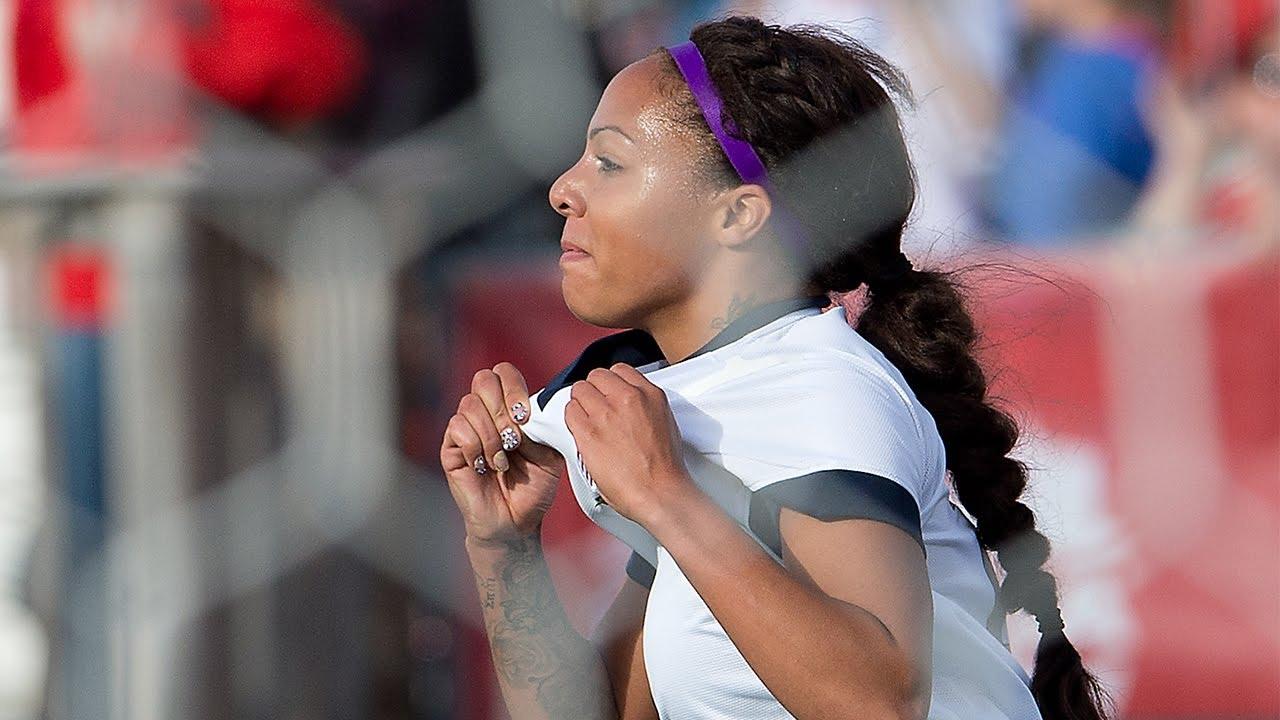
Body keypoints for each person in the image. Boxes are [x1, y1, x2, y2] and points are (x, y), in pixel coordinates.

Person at [440, 15, 1111, 720]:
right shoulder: (709, 409)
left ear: (738, 217)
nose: (563, 190)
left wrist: (667, 498)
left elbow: (878, 704)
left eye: (609, 162)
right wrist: (505, 548)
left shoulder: (821, 387)